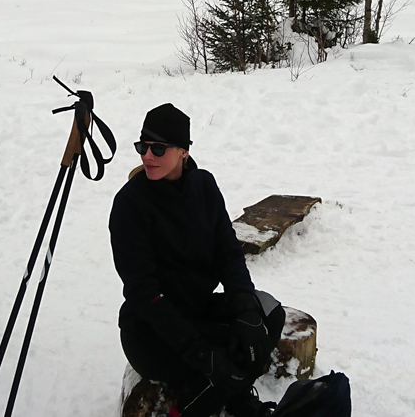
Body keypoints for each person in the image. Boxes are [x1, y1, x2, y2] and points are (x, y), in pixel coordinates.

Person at [109, 104, 284, 417]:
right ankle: (197, 406)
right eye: (142, 147)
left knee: (267, 317)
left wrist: (244, 308)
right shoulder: (129, 205)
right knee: (231, 353)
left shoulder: (204, 187)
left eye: (158, 148)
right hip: (151, 332)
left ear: (183, 152)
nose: (147, 156)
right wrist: (201, 352)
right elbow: (143, 293)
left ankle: (218, 393)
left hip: (197, 310)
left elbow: (228, 254)